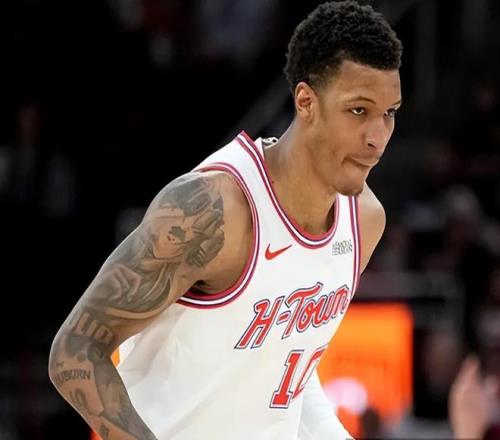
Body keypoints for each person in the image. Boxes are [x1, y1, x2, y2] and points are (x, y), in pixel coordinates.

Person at [48, 1, 403, 439]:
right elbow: (75, 349)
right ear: (306, 102)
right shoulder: (213, 210)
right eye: (359, 111)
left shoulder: (364, 221)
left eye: (390, 113)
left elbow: (289, 370)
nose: (376, 138)